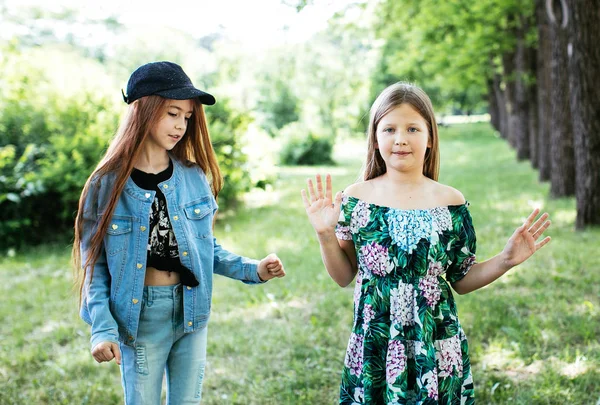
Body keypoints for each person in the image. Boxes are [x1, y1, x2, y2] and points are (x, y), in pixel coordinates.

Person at [301, 82, 551, 404]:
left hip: (435, 343)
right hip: (376, 342)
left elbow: (461, 279)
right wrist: (325, 235)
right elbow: (343, 276)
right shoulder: (356, 199)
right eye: (389, 128)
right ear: (375, 139)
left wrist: (504, 260)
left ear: (430, 137)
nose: (400, 138)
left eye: (412, 128)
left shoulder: (449, 201)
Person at [72, 61, 285, 405]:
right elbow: (94, 267)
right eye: (173, 113)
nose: (181, 125)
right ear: (144, 109)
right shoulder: (106, 184)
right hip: (139, 320)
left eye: (186, 117)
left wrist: (254, 270)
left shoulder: (193, 177)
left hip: (191, 312)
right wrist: (103, 329)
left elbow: (206, 250)